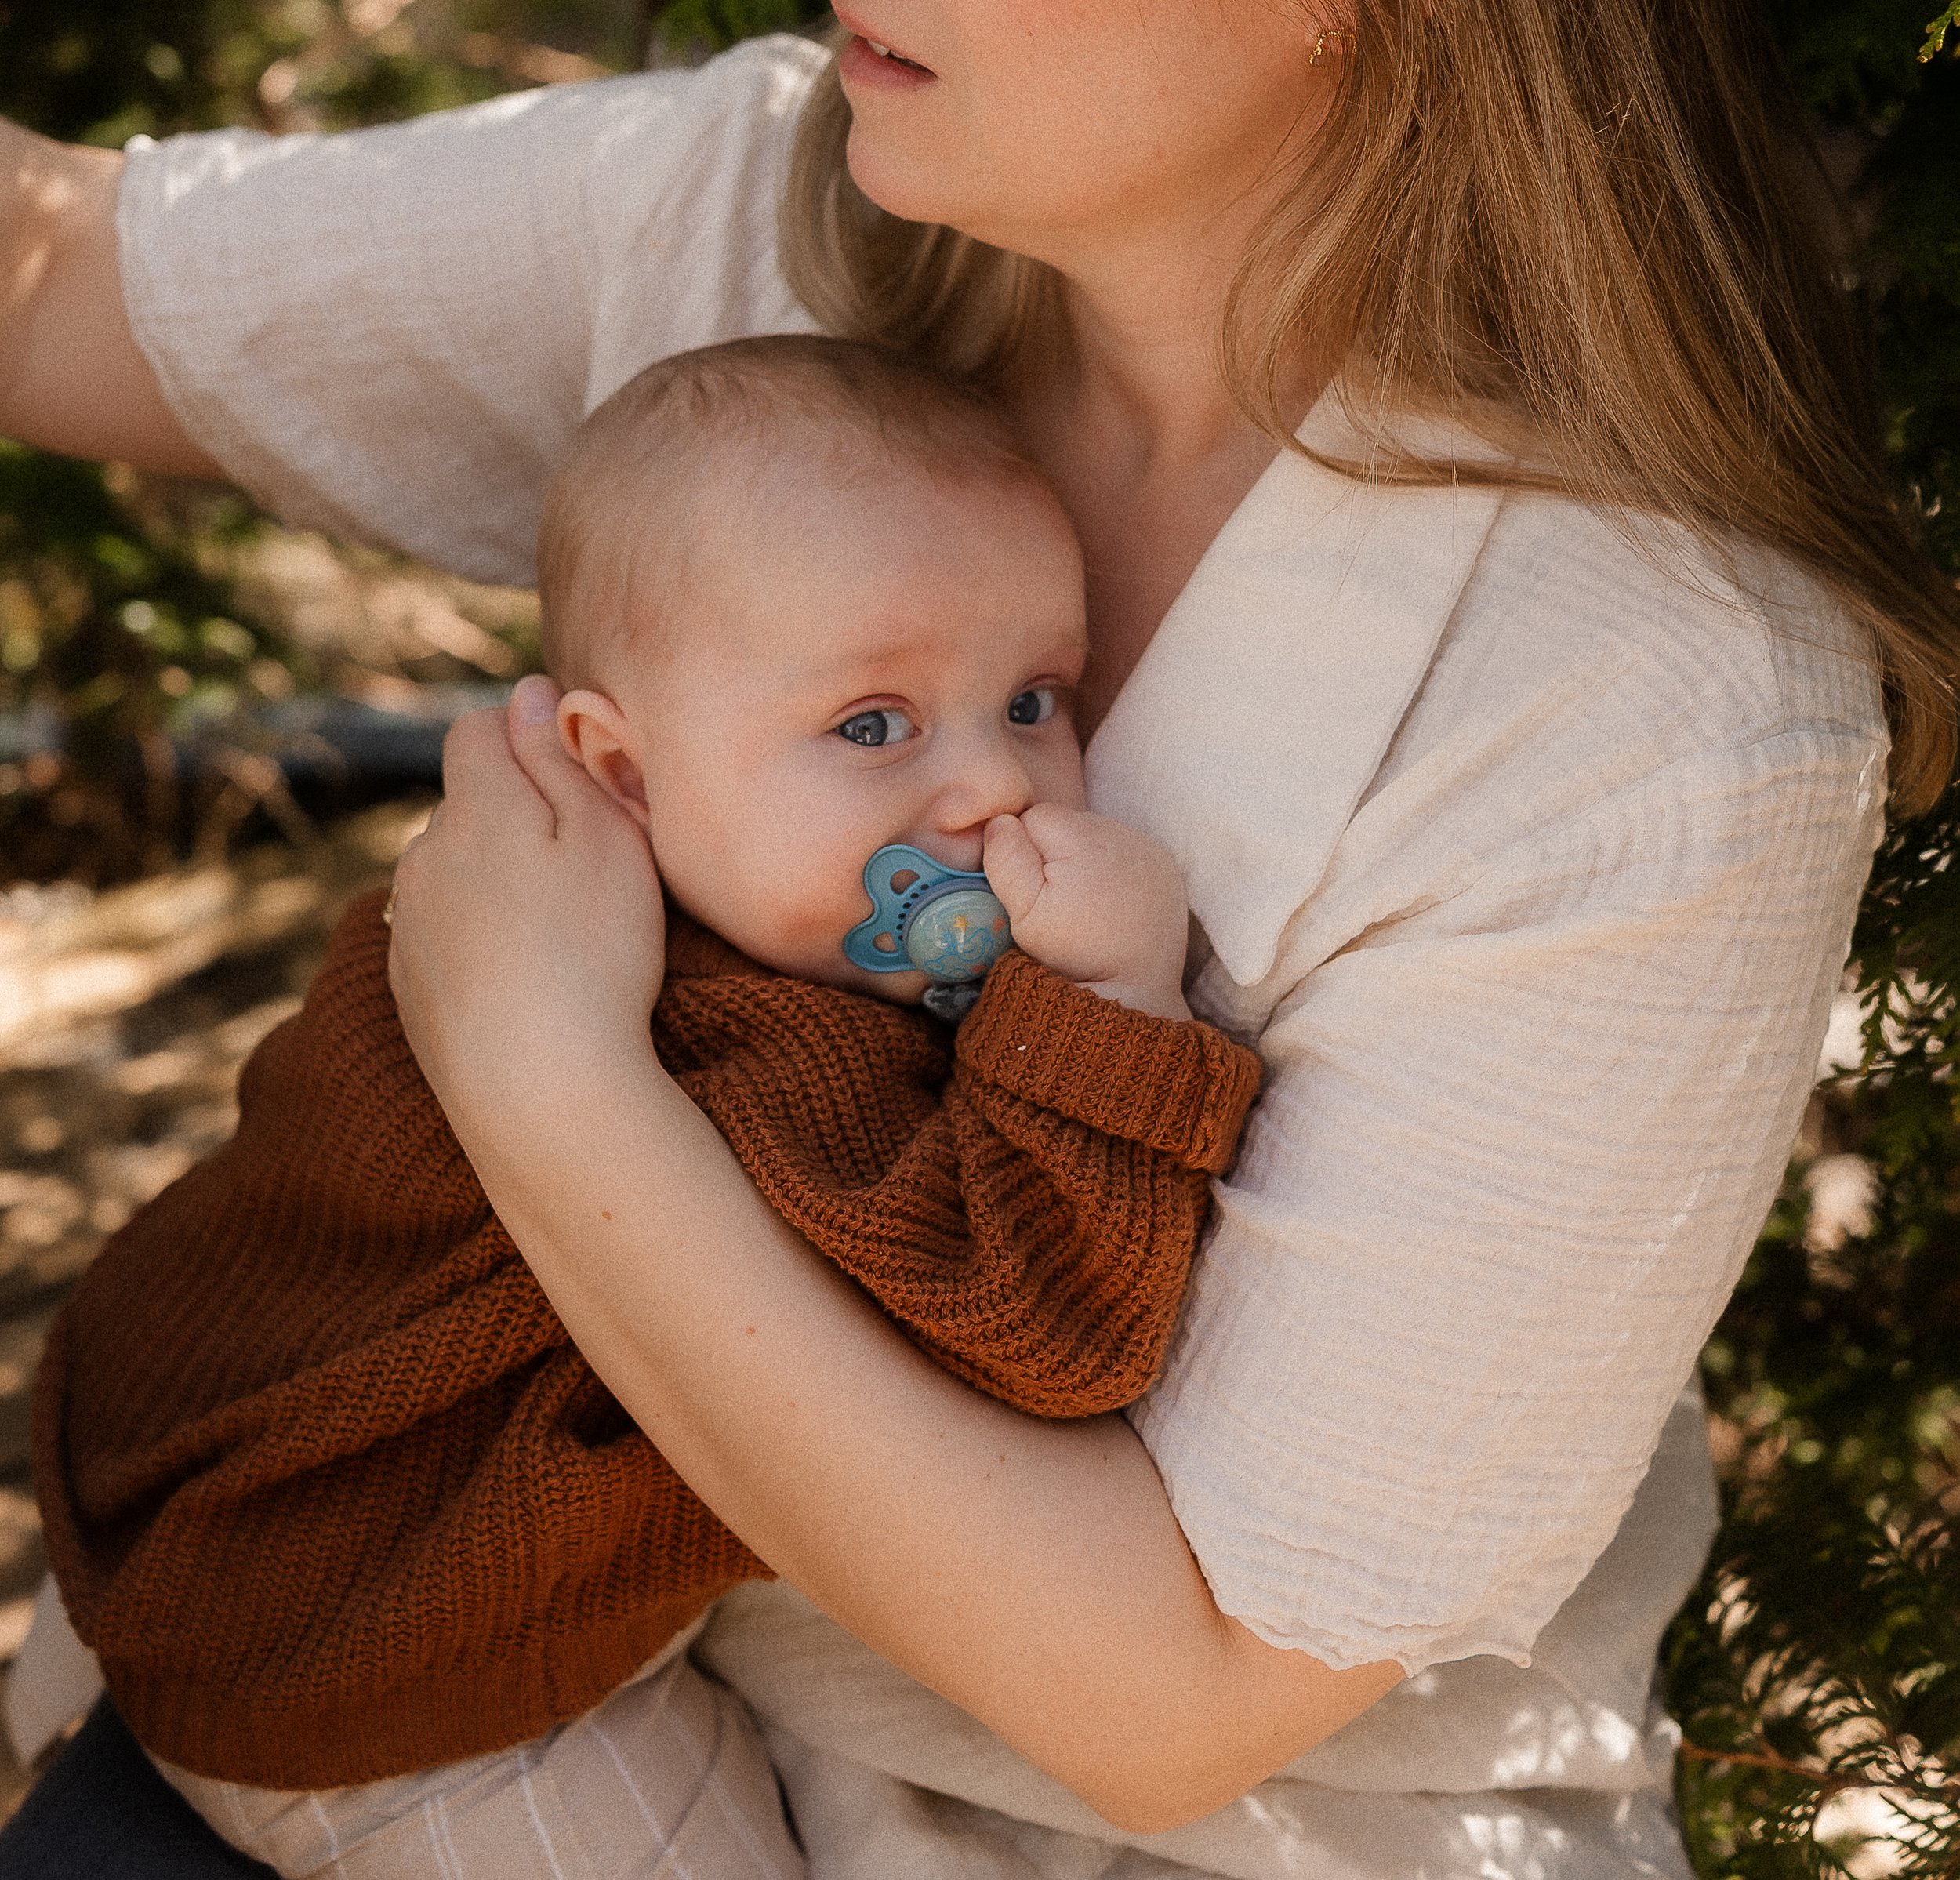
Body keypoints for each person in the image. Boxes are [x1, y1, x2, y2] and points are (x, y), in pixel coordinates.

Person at [2, 5, 1955, 1876]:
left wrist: (538, 1066)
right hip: (448, 1628)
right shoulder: (799, 211)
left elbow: (1169, 1703)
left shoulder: (1652, 706)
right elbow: (48, 276)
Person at [34, 333, 1261, 1878]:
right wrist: (1113, 1006)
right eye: (871, 723)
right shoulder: (778, 1059)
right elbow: (1048, 1330)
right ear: (620, 769)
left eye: (1030, 698)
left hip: (155, 1492)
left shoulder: (490, 898)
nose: (987, 789)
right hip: (396, 1691)